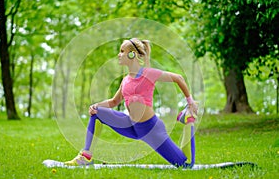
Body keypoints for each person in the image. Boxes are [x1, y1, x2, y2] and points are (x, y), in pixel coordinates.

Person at [64, 38, 198, 167]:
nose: (119, 54)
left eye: (122, 51)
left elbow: (178, 78)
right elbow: (114, 101)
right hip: (132, 126)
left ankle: (188, 119)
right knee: (97, 114)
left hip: (151, 129)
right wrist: (96, 106)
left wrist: (190, 102)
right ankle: (86, 157)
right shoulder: (125, 80)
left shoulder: (148, 73)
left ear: (132, 54)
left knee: (184, 164)